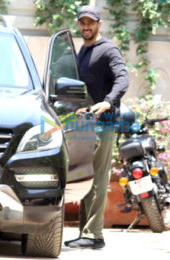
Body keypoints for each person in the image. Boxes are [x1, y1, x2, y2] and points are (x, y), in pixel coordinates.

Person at [64, 5, 129, 249]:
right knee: (85, 177)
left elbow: (123, 79)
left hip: (103, 123)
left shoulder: (108, 50)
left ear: (99, 24)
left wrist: (107, 101)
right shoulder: (83, 49)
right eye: (83, 23)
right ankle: (86, 233)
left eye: (91, 23)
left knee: (99, 179)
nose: (86, 27)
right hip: (85, 123)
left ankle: (94, 235)